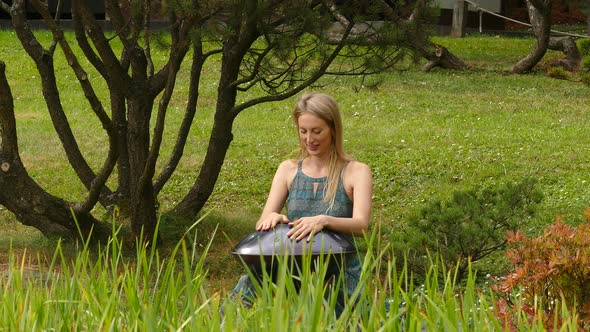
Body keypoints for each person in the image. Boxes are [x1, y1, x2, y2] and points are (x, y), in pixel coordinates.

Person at [229, 92, 373, 316]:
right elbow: (264, 219)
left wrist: (324, 220)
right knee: (248, 287)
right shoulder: (287, 169)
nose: (309, 139)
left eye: (317, 131)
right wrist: (274, 219)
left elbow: (361, 224)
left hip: (339, 268)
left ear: (333, 129)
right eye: (303, 131)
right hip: (291, 265)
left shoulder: (356, 171)